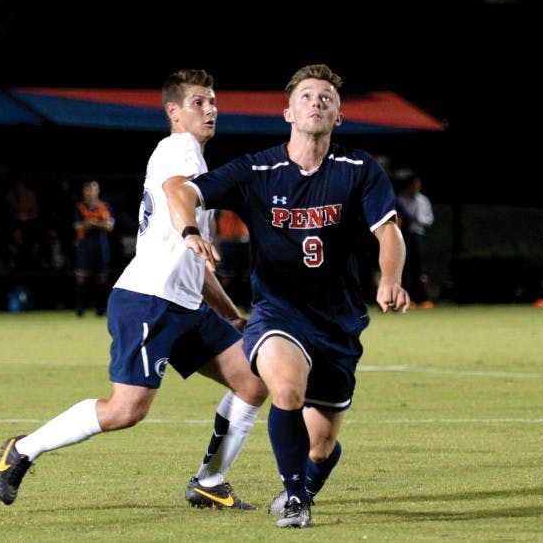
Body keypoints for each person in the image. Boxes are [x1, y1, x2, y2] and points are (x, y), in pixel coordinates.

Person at [0, 69, 267, 511]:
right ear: (173, 113)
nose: (211, 109)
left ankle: (209, 481)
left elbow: (195, 266)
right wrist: (189, 229)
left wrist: (231, 313)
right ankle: (22, 450)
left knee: (252, 382)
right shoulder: (178, 151)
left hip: (185, 304)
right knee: (126, 411)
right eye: (199, 102)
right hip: (149, 299)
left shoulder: (196, 160)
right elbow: (176, 192)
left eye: (213, 101)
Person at [168, 63, 410, 528]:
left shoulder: (358, 168)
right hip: (278, 313)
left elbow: (389, 232)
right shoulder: (258, 168)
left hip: (339, 322)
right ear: (287, 113)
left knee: (321, 446)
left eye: (326, 97)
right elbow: (181, 191)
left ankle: (302, 486)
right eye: (306, 96)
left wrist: (391, 278)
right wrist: (187, 231)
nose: (316, 101)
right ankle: (297, 500)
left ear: (338, 115)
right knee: (285, 386)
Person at [72, 179, 116, 316]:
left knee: (102, 278)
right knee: (81, 278)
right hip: (85, 247)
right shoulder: (79, 208)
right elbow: (79, 226)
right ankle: (80, 309)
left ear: (98, 191)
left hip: (101, 247)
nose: (91, 192)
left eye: (93, 189)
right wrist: (99, 224)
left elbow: (110, 227)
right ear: (84, 192)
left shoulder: (105, 206)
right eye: (88, 189)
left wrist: (91, 222)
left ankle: (100, 310)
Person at [394, 169, 435, 307]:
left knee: (418, 267)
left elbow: (429, 220)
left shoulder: (423, 201)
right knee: (405, 267)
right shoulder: (401, 199)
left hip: (418, 234)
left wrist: (417, 219)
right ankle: (406, 299)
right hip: (404, 236)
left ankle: (421, 298)